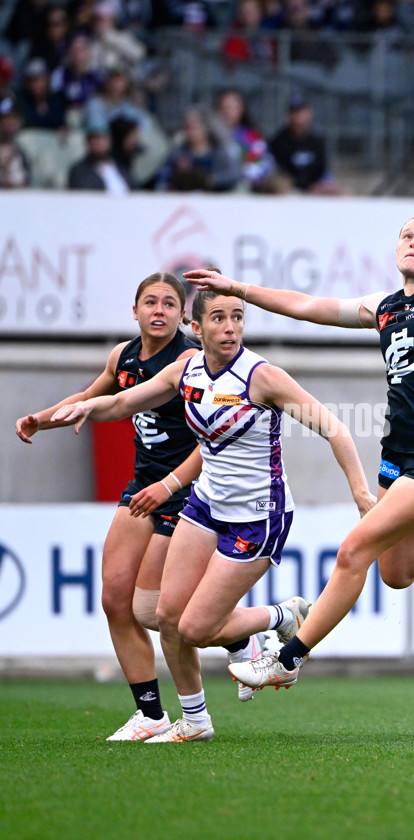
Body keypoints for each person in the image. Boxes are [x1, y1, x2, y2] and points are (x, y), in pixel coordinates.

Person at [183, 145, 414, 691]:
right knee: (397, 574)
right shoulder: (384, 307)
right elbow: (307, 305)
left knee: (354, 549)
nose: (413, 242)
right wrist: (239, 289)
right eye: (406, 236)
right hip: (399, 452)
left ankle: (287, 656)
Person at [49, 281, 376, 741]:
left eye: (237, 317)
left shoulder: (262, 376)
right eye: (219, 318)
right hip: (204, 505)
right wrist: (74, 411)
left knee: (197, 627)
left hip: (258, 515)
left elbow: (336, 429)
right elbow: (123, 401)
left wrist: (361, 494)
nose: (230, 327)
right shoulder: (187, 370)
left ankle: (280, 617)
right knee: (165, 617)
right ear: (195, 327)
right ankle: (194, 721)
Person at [15, 272, 221, 740]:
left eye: (170, 303)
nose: (159, 310)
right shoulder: (123, 356)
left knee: (160, 611)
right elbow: (91, 400)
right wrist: (40, 421)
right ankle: (150, 715)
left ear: (183, 315)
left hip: (185, 492)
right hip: (142, 488)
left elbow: (210, 442)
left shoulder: (189, 359)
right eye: (151, 302)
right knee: (114, 599)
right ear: (135, 311)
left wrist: (169, 486)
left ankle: (243, 636)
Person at [269, 92, 345, 194]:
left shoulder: (316, 143)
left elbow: (323, 172)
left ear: (309, 113)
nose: (298, 117)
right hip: (289, 192)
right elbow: (279, 173)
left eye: (301, 112)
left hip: (314, 191)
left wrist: (325, 185)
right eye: (294, 112)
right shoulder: (278, 143)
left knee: (341, 192)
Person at [155, 104, 242, 192]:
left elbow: (234, 174)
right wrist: (177, 173)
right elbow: (162, 174)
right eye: (187, 128)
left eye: (194, 128)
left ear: (206, 129)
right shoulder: (179, 152)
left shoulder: (218, 152)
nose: (190, 132)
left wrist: (212, 179)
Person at [67, 116, 133, 192]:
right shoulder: (79, 171)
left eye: (103, 138)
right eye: (95, 138)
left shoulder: (122, 168)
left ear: (110, 141)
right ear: (88, 142)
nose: (99, 142)